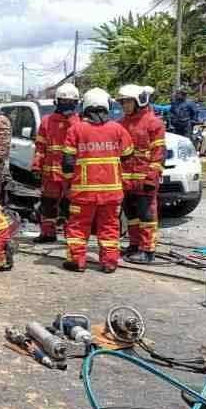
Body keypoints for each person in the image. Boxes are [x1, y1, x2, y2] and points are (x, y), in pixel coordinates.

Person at [61, 88, 134, 274]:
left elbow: (68, 163)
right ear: (106, 106)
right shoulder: (118, 129)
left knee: (78, 227)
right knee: (109, 227)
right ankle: (109, 262)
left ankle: (77, 261)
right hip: (112, 192)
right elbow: (128, 156)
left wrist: (69, 184)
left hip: (83, 192)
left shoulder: (75, 129)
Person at [117, 84, 166, 264]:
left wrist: (152, 177)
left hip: (145, 178)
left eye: (128, 102)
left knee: (146, 215)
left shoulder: (154, 123)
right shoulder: (121, 123)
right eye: (122, 102)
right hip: (126, 180)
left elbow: (159, 153)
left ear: (139, 101)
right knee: (131, 215)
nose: (124, 105)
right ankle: (135, 245)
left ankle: (148, 250)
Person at [31, 83, 80, 243]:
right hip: (50, 174)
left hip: (71, 174)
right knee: (47, 204)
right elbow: (40, 146)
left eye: (70, 102)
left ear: (76, 103)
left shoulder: (79, 122)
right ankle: (47, 233)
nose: (66, 105)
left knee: (69, 206)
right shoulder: (47, 121)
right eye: (63, 101)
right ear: (57, 102)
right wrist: (36, 165)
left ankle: (70, 236)